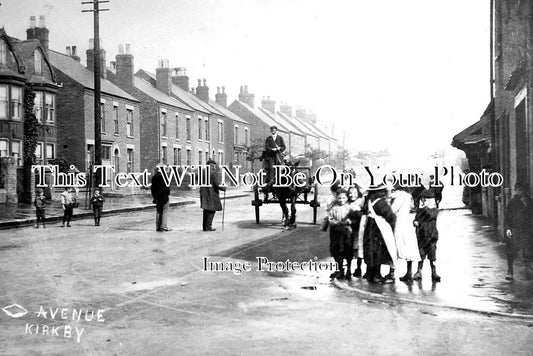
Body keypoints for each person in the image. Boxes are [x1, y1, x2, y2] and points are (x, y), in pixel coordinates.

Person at [362, 184, 397, 284]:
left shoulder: (368, 201)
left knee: (370, 251)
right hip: (379, 229)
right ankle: (377, 275)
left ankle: (371, 274)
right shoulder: (381, 203)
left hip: (369, 228)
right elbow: (391, 217)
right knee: (378, 251)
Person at [390, 185, 421, 282]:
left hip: (399, 222)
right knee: (408, 245)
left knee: (395, 245)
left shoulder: (399, 195)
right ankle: (409, 272)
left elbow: (393, 209)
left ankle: (392, 272)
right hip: (406, 221)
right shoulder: (408, 195)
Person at [504, 182, 533, 280]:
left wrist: (526, 205)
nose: (520, 192)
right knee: (511, 251)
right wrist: (508, 228)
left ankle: (528, 270)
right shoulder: (512, 202)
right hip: (514, 229)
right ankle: (510, 271)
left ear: (525, 191)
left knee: (528, 250)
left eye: (521, 190)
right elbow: (507, 216)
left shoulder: (529, 202)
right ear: (515, 190)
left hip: (526, 230)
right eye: (517, 189)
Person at [413, 189, 441, 282]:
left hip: (431, 235)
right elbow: (416, 219)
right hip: (421, 235)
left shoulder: (433, 210)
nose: (423, 200)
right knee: (421, 254)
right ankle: (419, 271)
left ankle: (434, 272)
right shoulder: (421, 210)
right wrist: (415, 222)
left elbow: (431, 215)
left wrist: (424, 208)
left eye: (425, 199)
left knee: (432, 255)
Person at [327, 188, 353, 279]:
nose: (342, 200)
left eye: (344, 198)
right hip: (336, 232)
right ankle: (340, 269)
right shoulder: (333, 208)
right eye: (339, 198)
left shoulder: (350, 207)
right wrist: (338, 223)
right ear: (336, 198)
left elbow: (354, 218)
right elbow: (330, 219)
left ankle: (349, 269)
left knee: (348, 250)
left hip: (347, 232)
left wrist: (350, 221)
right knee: (336, 250)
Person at [200, 159, 226, 231]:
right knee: (211, 210)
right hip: (211, 194)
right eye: (212, 166)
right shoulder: (212, 173)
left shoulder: (202, 172)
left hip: (203, 193)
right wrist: (224, 188)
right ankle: (208, 227)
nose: (213, 168)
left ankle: (204, 227)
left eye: (213, 166)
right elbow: (217, 185)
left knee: (206, 210)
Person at [347, 185, 364, 277]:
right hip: (348, 229)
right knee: (348, 248)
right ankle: (348, 268)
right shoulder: (346, 202)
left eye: (354, 193)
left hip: (357, 228)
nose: (352, 195)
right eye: (350, 193)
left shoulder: (360, 202)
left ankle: (358, 267)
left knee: (357, 248)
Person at [151, 166, 171, 232]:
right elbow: (167, 188)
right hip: (164, 197)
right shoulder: (164, 176)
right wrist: (167, 194)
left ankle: (158, 227)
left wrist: (154, 197)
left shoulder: (154, 177)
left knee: (158, 211)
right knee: (165, 211)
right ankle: (164, 226)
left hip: (157, 197)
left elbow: (152, 189)